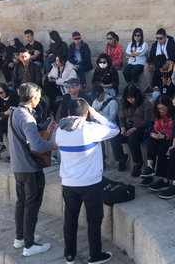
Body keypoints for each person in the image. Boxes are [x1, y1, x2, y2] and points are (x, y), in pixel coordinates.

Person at [56, 98, 119, 264]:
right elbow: (115, 129)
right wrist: (96, 114)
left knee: (70, 219)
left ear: (69, 113)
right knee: (94, 220)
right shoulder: (91, 128)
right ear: (86, 113)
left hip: (69, 183)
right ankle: (95, 255)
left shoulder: (60, 131)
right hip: (90, 184)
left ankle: (69, 255)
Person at [8, 83, 56, 257]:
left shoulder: (15, 112)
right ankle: (29, 245)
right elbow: (37, 145)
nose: (39, 99)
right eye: (39, 96)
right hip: (30, 169)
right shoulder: (27, 117)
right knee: (32, 205)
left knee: (22, 203)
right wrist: (54, 144)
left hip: (18, 167)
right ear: (33, 98)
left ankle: (20, 238)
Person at [110, 85, 152, 177]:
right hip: (128, 127)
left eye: (132, 98)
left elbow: (147, 120)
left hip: (141, 129)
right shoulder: (125, 104)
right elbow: (121, 117)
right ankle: (121, 158)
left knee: (132, 138)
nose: (130, 100)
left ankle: (138, 163)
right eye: (128, 98)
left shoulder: (145, 103)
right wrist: (122, 128)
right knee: (114, 136)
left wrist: (135, 129)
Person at [140, 95, 175, 187]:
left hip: (171, 139)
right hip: (161, 136)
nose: (161, 111)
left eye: (163, 108)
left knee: (162, 149)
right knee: (151, 140)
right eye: (159, 108)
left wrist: (164, 136)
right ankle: (150, 168)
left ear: (168, 106)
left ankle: (164, 179)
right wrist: (154, 134)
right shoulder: (159, 116)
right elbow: (156, 127)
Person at [0, 83, 20, 160]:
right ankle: (0, 146)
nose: (0, 95)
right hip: (4, 121)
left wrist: (1, 117)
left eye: (1, 92)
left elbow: (11, 113)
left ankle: (2, 151)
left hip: (13, 121)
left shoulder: (14, 97)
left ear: (6, 90)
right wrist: (1, 115)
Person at [145, 28, 175, 94]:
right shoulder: (155, 44)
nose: (159, 40)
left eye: (160, 38)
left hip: (169, 63)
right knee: (146, 66)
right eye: (157, 38)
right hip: (158, 63)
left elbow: (174, 56)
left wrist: (163, 62)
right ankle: (150, 87)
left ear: (165, 37)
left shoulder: (171, 43)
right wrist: (151, 63)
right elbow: (151, 56)